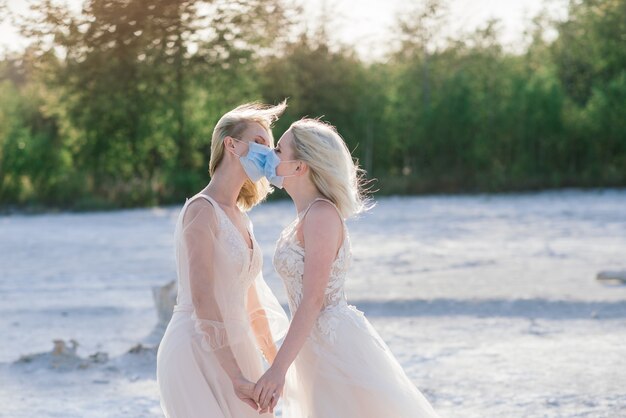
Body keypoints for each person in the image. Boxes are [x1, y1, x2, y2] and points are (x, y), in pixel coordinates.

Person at [254, 118, 440, 417]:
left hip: (333, 344)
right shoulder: (305, 217)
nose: (270, 156)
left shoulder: (321, 216)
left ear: (300, 166)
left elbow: (313, 300)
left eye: (278, 149)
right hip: (310, 344)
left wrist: (278, 369)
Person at [156, 102, 289, 418]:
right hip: (196, 348)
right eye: (259, 143)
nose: (267, 153)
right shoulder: (201, 211)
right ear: (231, 144)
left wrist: (276, 365)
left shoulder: (242, 218)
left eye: (270, 147)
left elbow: (253, 302)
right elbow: (202, 299)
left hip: (238, 348)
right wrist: (236, 377)